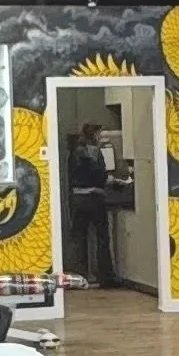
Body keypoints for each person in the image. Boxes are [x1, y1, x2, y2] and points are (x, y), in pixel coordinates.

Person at [64, 123, 117, 288]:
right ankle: (105, 277)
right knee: (102, 238)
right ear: (94, 135)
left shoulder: (74, 151)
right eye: (100, 134)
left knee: (79, 238)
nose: (101, 137)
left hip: (78, 198)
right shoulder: (94, 151)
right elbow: (100, 175)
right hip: (94, 197)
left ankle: (78, 277)